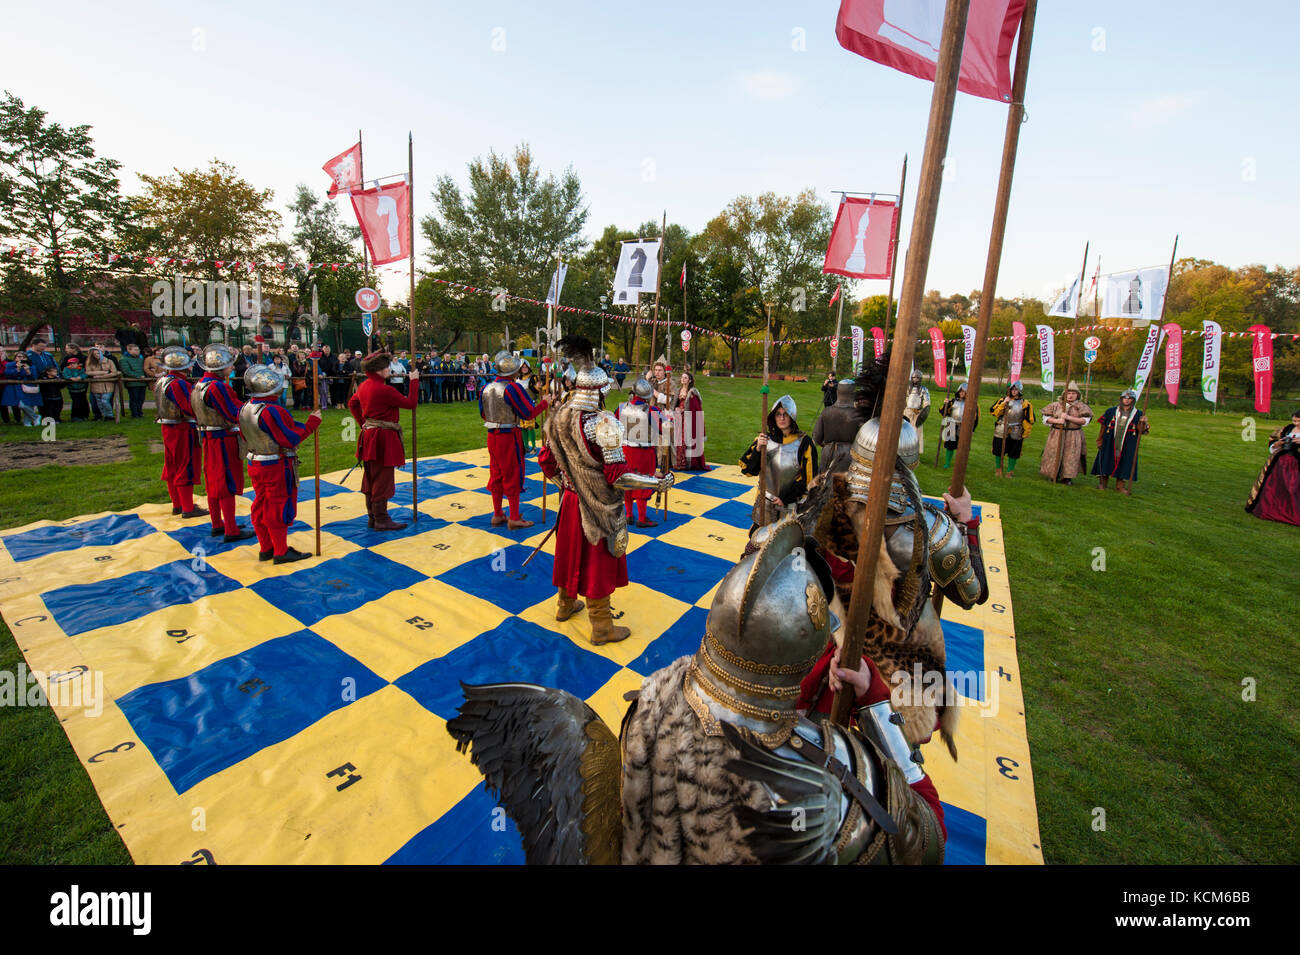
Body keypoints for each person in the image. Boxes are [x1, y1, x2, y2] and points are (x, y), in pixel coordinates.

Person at [447, 517, 945, 864]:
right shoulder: (829, 783)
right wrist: (877, 706)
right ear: (805, 656)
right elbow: (929, 836)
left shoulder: (653, 703)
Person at [538, 337, 671, 645]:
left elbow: (546, 460)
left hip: (570, 502)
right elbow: (618, 476)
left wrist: (568, 485)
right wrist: (656, 482)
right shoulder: (604, 424)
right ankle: (601, 627)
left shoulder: (559, 417)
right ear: (598, 391)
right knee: (598, 561)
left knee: (570, 553)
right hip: (598, 507)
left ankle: (564, 605)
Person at [238, 363, 322, 563]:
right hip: (275, 463)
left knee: (260, 503)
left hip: (256, 461)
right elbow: (290, 438)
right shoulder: (271, 411)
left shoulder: (245, 408)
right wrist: (311, 424)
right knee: (277, 505)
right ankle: (280, 551)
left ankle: (266, 547)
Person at [348, 350, 420, 531]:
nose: (389, 369)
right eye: (386, 367)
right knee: (382, 478)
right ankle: (381, 518)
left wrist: (364, 423)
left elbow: (352, 403)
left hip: (369, 435)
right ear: (379, 370)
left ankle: (372, 516)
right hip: (383, 438)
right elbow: (411, 403)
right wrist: (414, 381)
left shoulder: (364, 386)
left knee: (371, 476)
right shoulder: (384, 389)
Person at [192, 343, 255, 542]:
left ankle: (218, 523)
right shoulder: (218, 387)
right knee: (225, 482)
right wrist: (255, 408)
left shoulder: (200, 384)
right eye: (229, 365)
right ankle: (230, 529)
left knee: (213, 481)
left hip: (210, 437)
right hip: (223, 438)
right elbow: (234, 412)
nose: (232, 368)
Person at [479, 351, 548, 529]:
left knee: (496, 473)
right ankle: (514, 517)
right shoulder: (512, 388)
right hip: (509, 436)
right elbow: (527, 413)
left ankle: (497, 514)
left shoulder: (485, 388)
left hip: (492, 435)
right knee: (513, 474)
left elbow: (483, 414)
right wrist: (544, 403)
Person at [739, 395, 817, 532]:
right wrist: (758, 449)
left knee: (785, 546)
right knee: (756, 543)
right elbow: (747, 470)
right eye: (778, 414)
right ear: (773, 417)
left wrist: (785, 498)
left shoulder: (804, 443)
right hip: (764, 503)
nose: (782, 418)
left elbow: (809, 479)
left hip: (791, 504)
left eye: (786, 414)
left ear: (792, 417)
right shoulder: (765, 439)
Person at [153, 345, 207, 519]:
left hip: (169, 426)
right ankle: (187, 507)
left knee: (172, 465)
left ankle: (177, 504)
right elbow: (189, 407)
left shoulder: (162, 381)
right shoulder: (178, 383)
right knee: (185, 465)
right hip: (182, 427)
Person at [617, 378, 663, 528]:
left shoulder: (621, 407)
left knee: (628, 481)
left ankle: (629, 515)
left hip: (625, 451)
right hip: (644, 453)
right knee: (643, 482)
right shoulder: (653, 411)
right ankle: (642, 519)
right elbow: (663, 430)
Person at [1245, 409, 1300, 526]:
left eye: (1298, 421)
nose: (1296, 423)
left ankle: (1293, 514)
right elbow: (1272, 443)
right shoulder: (1287, 429)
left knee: (1293, 488)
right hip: (1279, 463)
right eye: (1294, 420)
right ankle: (1273, 511)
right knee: (1276, 486)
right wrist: (1278, 443)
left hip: (1296, 465)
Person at [1091, 388, 1149, 495]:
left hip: (1128, 442)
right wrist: (1100, 439)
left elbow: (1141, 430)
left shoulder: (1138, 414)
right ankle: (1103, 483)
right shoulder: (1111, 411)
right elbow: (1103, 426)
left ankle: (1120, 486)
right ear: (1121, 399)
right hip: (1110, 440)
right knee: (1106, 459)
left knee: (1124, 461)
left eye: (1129, 398)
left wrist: (1143, 422)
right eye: (1124, 398)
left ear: (1133, 400)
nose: (1127, 401)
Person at [1039, 380, 1092, 484]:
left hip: (1073, 435)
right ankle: (1053, 474)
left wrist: (1069, 417)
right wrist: (1057, 421)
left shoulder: (1081, 407)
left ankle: (1067, 478)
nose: (1071, 396)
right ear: (1064, 394)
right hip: (1057, 433)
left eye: (1073, 393)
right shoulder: (1056, 405)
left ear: (1077, 395)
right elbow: (1046, 418)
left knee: (1070, 456)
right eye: (1069, 393)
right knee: (1054, 453)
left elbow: (1085, 421)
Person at [812, 378, 865, 473]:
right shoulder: (858, 414)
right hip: (848, 456)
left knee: (824, 485)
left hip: (828, 454)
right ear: (853, 393)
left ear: (838, 392)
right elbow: (864, 443)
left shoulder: (827, 411)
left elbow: (816, 437)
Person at [991, 381, 1035, 478]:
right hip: (1002, 427)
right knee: (998, 450)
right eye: (1012, 389)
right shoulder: (1002, 400)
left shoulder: (1025, 403)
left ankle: (1009, 471)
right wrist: (1004, 403)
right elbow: (995, 412)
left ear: (1019, 391)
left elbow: (1030, 419)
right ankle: (998, 470)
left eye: (1016, 389)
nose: (1014, 391)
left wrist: (1026, 431)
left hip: (1016, 429)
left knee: (1014, 452)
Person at [671, 371, 707, 471]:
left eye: (685, 378)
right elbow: (674, 403)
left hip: (688, 419)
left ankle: (686, 463)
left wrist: (684, 410)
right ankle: (678, 462)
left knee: (684, 441)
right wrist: (676, 409)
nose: (683, 379)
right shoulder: (678, 390)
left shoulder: (693, 392)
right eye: (682, 377)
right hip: (678, 418)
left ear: (690, 380)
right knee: (677, 440)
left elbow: (695, 407)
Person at [939, 383, 979, 469]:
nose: (962, 393)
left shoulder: (972, 404)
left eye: (964, 392)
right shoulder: (952, 401)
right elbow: (943, 413)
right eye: (960, 391)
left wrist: (972, 429)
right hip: (951, 424)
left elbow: (975, 418)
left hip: (964, 426)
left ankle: (960, 464)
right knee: (950, 445)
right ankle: (947, 463)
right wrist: (945, 404)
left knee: (963, 446)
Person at [85, 346, 117, 421]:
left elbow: (114, 372)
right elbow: (88, 372)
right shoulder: (89, 363)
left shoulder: (109, 361)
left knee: (105, 400)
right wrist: (103, 372)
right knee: (99, 402)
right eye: (94, 354)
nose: (97, 355)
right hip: (96, 386)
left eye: (97, 353)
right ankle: (105, 415)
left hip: (107, 385)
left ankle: (110, 415)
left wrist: (101, 376)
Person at [904, 369, 931, 455]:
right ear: (911, 378)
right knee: (905, 432)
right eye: (914, 378)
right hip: (907, 413)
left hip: (917, 414)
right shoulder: (907, 388)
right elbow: (903, 400)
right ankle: (903, 450)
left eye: (917, 378)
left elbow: (927, 403)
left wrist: (922, 412)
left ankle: (915, 453)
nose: (915, 380)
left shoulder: (924, 389)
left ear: (920, 379)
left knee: (916, 434)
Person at [119, 343, 147, 419]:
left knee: (141, 398)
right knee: (134, 399)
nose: (137, 351)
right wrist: (138, 376)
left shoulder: (141, 358)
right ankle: (135, 414)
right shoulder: (124, 359)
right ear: (129, 350)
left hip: (142, 382)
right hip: (132, 383)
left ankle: (140, 412)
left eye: (138, 349)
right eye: (135, 350)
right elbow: (126, 371)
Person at [61, 357, 90, 421]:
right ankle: (75, 416)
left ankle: (84, 415)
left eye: (74, 363)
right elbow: (65, 375)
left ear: (78, 364)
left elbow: (85, 374)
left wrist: (80, 377)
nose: (72, 365)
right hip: (73, 389)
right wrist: (70, 378)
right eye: (70, 364)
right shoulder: (66, 369)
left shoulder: (81, 369)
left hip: (82, 389)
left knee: (83, 402)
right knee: (76, 403)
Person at [0, 348, 23, 425]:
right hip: (1, 385)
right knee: (2, 405)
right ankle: (6, 420)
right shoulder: (8, 364)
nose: (1, 353)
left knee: (14, 403)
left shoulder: (9, 362)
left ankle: (18, 419)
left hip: (9, 385)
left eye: (3, 351)